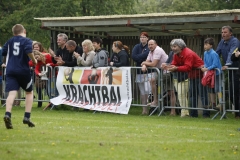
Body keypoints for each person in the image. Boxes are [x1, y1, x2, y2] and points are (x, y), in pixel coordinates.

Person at [2, 24, 37, 129]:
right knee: (29, 92)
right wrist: (34, 60)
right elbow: (28, 51)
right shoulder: (27, 40)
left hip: (10, 70)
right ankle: (27, 116)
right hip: (22, 69)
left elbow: (3, 52)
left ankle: (7, 114)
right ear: (24, 31)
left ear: (14, 33)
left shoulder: (9, 41)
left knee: (12, 93)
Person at [167, 38, 210, 118]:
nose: (173, 48)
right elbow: (174, 63)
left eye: (175, 46)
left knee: (203, 95)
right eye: (172, 46)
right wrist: (168, 66)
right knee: (192, 95)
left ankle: (206, 114)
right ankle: (193, 114)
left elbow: (187, 67)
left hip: (200, 75)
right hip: (192, 75)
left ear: (180, 46)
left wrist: (176, 68)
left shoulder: (188, 53)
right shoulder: (176, 54)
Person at [216, 26, 240, 119]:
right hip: (230, 70)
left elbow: (231, 53)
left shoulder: (235, 41)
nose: (223, 34)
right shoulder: (222, 42)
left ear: (231, 33)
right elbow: (216, 53)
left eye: (225, 32)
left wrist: (228, 64)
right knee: (232, 93)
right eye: (222, 32)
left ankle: (238, 114)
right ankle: (237, 113)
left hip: (236, 69)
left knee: (236, 92)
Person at [141, 39, 168, 108]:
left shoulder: (158, 50)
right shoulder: (150, 52)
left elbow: (153, 64)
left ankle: (156, 101)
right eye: (149, 45)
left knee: (152, 80)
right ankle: (156, 100)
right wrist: (144, 65)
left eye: (152, 44)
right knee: (152, 80)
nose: (150, 46)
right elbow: (147, 61)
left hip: (167, 71)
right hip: (161, 72)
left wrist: (144, 63)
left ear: (156, 44)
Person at [132, 32, 151, 115]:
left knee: (148, 90)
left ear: (147, 38)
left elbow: (148, 55)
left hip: (148, 72)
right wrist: (142, 58)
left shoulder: (149, 46)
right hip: (139, 72)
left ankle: (150, 107)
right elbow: (133, 56)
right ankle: (144, 109)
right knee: (142, 91)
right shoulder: (136, 46)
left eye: (144, 37)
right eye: (141, 37)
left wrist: (140, 58)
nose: (142, 38)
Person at [201, 38, 223, 110]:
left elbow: (215, 64)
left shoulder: (214, 53)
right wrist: (204, 67)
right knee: (210, 88)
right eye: (204, 44)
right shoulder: (205, 53)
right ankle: (213, 103)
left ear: (211, 45)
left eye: (206, 44)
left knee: (218, 88)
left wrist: (207, 69)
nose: (205, 46)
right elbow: (205, 63)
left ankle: (221, 104)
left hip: (217, 73)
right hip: (211, 73)